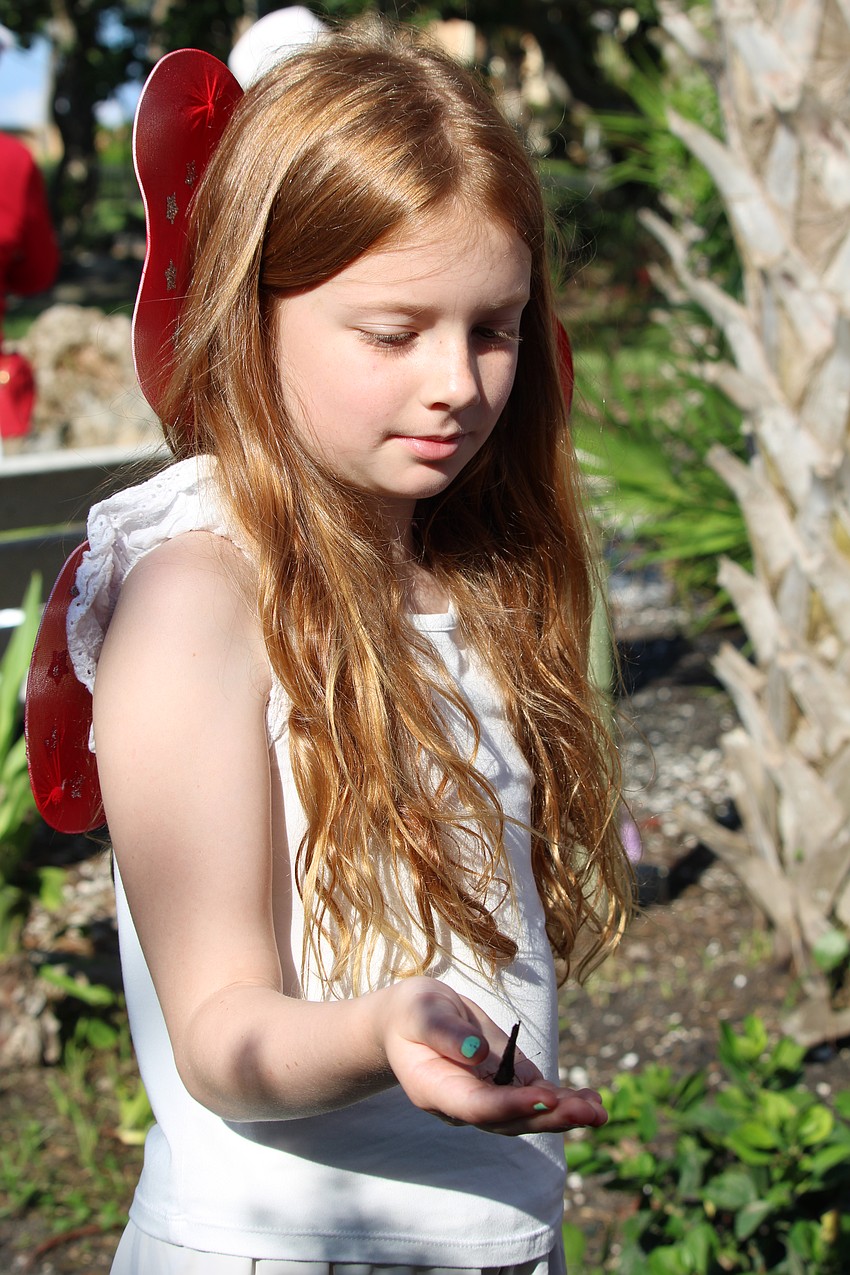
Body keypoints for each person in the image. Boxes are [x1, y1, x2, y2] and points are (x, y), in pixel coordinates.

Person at [67, 22, 633, 1275]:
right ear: (251, 308)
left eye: (493, 327)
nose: (456, 383)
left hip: (490, 1235)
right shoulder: (203, 596)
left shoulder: (468, 575)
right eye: (391, 332)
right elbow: (222, 1034)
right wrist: (385, 1029)